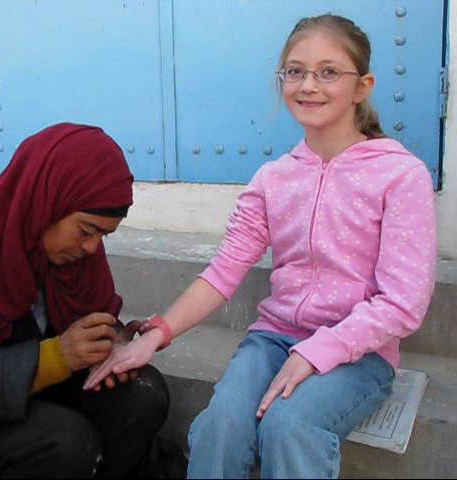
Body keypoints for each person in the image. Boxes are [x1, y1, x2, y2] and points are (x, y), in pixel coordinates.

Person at [85, 14, 437, 479]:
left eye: (328, 71)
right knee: (221, 426)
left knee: (290, 425)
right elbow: (225, 270)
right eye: (295, 71)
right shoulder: (274, 179)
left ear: (362, 86)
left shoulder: (400, 176)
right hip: (274, 339)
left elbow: (403, 304)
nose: (308, 85)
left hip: (359, 352)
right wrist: (156, 334)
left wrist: (318, 352)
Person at [0, 123, 169, 478]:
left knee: (145, 394)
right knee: (67, 442)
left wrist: (108, 345)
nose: (91, 248)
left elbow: (87, 316)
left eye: (103, 235)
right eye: (86, 231)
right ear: (47, 202)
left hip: (40, 397)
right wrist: (55, 357)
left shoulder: (73, 255)